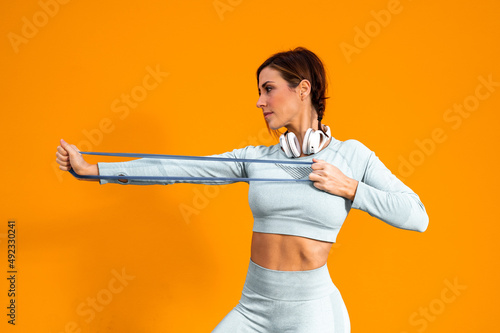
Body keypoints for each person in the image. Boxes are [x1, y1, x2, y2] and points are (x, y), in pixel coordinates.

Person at [55, 46, 429, 332]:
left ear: (302, 90)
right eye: (259, 91)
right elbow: (181, 168)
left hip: (311, 310)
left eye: (268, 89)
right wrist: (94, 170)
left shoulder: (352, 157)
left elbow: (417, 216)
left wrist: (350, 188)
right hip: (253, 307)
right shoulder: (257, 157)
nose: (259, 101)